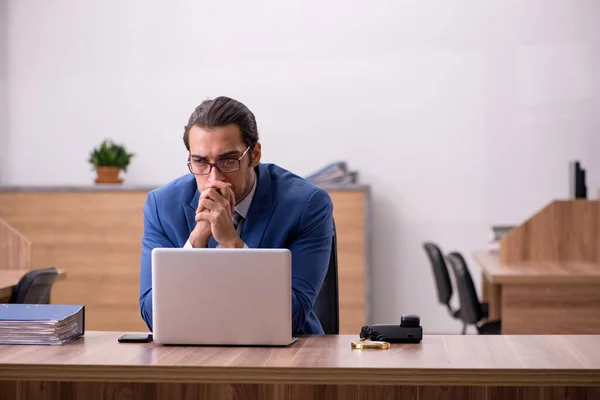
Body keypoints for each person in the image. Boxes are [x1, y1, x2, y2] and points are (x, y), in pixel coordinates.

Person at [139, 96, 334, 335]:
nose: (213, 179)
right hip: (194, 351)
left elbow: (291, 318)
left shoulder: (307, 205)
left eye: (228, 161)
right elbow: (152, 316)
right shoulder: (162, 206)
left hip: (286, 357)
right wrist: (197, 239)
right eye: (200, 162)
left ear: (255, 155)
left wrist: (231, 243)